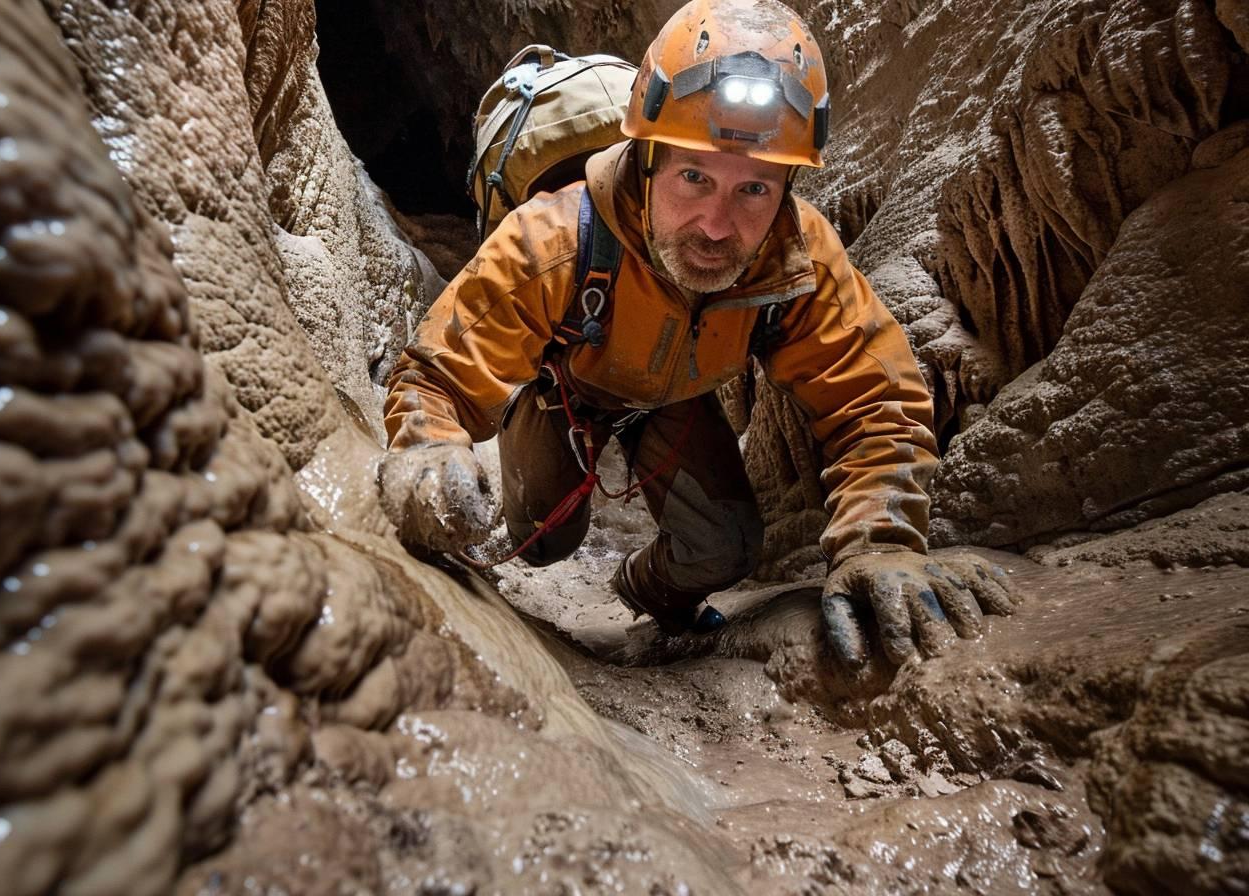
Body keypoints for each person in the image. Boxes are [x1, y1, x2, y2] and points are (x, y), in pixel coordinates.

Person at [379, 0, 1015, 669]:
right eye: (694, 177)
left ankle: (646, 596)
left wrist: (880, 542)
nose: (716, 225)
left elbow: (874, 401)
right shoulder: (552, 240)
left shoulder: (795, 259)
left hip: (672, 400)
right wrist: (431, 456)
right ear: (647, 158)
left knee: (727, 549)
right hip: (565, 388)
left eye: (754, 190)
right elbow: (435, 378)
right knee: (541, 540)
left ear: (788, 186)